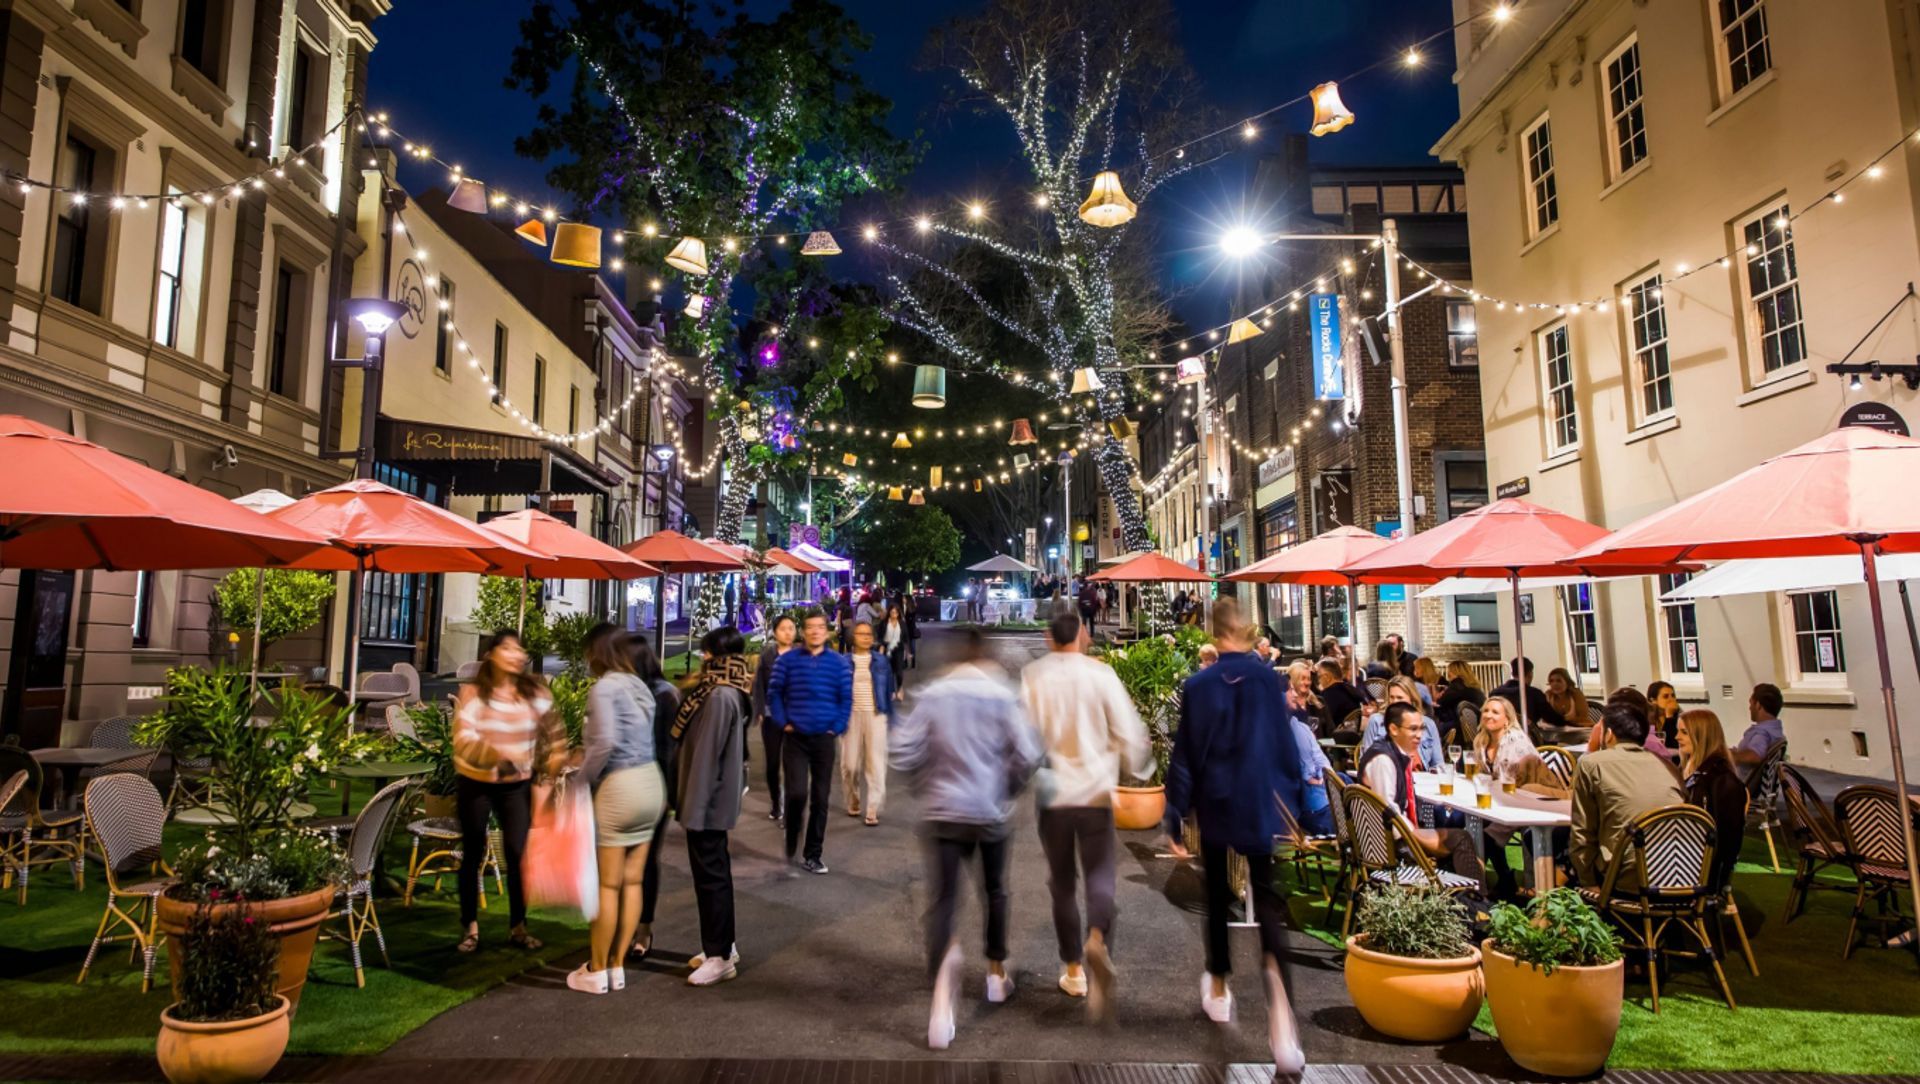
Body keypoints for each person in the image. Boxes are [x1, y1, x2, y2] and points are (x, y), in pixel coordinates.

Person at [1162, 599, 1306, 1071]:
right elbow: (1285, 747)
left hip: (1218, 802)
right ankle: (1281, 1015)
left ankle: (1219, 984)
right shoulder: (1268, 679)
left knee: (1217, 891)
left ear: (1214, 634)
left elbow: (1186, 753)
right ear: (1243, 632)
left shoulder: (1200, 685)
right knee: (1266, 901)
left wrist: (1175, 814)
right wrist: (1293, 809)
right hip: (1260, 801)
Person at [892, 628, 1042, 1049]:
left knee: (943, 899)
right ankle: (996, 972)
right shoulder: (1002, 693)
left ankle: (942, 990)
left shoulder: (934, 693)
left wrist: (925, 784)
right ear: (986, 655)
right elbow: (1028, 752)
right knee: (994, 890)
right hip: (989, 811)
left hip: (942, 811)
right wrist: (1007, 786)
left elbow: (903, 750)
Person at [1019, 612, 1151, 1019]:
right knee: (1099, 874)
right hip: (1095, 788)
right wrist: (1140, 769)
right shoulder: (1101, 675)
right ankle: (1097, 937)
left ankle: (1073, 969)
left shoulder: (1034, 676)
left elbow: (1023, 736)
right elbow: (1130, 731)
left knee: (1061, 882)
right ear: (1081, 635)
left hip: (1054, 789)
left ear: (1048, 638)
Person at [451, 630, 565, 955]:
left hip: (516, 786)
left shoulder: (533, 691)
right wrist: (496, 757)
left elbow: (555, 732)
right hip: (475, 782)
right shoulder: (473, 693)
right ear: (491, 654)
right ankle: (469, 926)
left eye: (519, 649)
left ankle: (518, 926)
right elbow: (463, 739)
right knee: (473, 852)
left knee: (517, 853)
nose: (517, 654)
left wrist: (553, 764)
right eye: (508, 648)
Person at [569, 625, 664, 995]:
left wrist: (580, 779)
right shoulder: (639, 685)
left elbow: (605, 742)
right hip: (651, 782)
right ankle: (618, 965)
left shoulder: (604, 687)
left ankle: (596, 968)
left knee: (607, 885)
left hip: (620, 786)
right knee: (633, 881)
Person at [675, 625, 754, 986]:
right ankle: (721, 947)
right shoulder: (728, 688)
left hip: (706, 801)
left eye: (707, 653)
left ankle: (720, 954)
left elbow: (706, 756)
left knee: (711, 876)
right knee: (713, 873)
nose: (703, 659)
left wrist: (691, 807)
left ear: (717, 656)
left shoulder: (719, 695)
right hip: (709, 798)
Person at [1357, 701, 1487, 882]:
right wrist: (1413, 832)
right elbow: (1387, 808)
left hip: (1388, 834)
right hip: (1387, 841)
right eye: (1413, 729)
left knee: (1452, 832)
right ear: (1394, 729)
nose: (1419, 735)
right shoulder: (1383, 760)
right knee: (1461, 838)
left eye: (1421, 729)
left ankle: (1461, 897)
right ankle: (1475, 901)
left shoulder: (1393, 753)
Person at [768, 608, 854, 874]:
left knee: (820, 798)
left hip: (824, 739)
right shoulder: (788, 661)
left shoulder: (839, 663)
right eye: (810, 627)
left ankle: (813, 853)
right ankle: (792, 836)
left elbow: (845, 698)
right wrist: (784, 723)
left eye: (820, 626)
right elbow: (774, 694)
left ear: (827, 631)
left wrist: (837, 727)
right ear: (803, 632)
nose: (815, 631)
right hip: (796, 738)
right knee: (796, 794)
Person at [1570, 702, 1686, 890]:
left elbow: (1582, 832)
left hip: (1627, 876)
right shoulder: (1668, 767)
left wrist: (1588, 883)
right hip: (1680, 873)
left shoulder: (1593, 764)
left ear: (1608, 734)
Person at [1470, 695, 1563, 896]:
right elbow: (1482, 776)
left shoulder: (1516, 741)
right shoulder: (1482, 741)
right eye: (1486, 711)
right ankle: (1503, 881)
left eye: (1495, 712)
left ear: (1507, 719)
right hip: (1503, 801)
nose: (1488, 715)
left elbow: (1512, 782)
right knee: (1476, 828)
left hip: (1529, 802)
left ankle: (1487, 886)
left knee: (1485, 836)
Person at [628, 636, 681, 960]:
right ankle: (625, 925)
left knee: (645, 860)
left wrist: (667, 794)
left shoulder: (664, 695)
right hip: (621, 788)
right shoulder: (620, 693)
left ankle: (643, 928)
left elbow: (670, 750)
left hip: (653, 787)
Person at [1677, 708, 1747, 891]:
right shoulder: (1690, 769)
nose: (1676, 737)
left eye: (1684, 732)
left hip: (1700, 866)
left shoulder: (1721, 780)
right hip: (1683, 851)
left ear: (1703, 735)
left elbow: (1728, 840)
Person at [841, 620, 895, 827]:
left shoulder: (881, 661)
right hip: (850, 716)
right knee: (850, 764)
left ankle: (872, 808)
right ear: (852, 638)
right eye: (861, 634)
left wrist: (892, 719)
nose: (866, 637)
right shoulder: (843, 662)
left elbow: (888, 690)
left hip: (876, 715)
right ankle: (853, 800)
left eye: (868, 634)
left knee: (875, 763)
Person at [750, 614, 798, 824]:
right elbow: (758, 684)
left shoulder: (801, 655)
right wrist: (759, 710)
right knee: (772, 763)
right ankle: (776, 802)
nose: (788, 632)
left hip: (795, 717)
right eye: (783, 628)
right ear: (775, 632)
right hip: (771, 715)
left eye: (791, 628)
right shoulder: (768, 654)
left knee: (792, 763)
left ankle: (789, 808)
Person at [1283, 661, 1336, 835]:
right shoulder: (1289, 716)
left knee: (1343, 781)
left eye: (1309, 679)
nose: (1307, 683)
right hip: (1306, 775)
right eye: (1302, 679)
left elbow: (1331, 731)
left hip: (1322, 754)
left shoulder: (1318, 703)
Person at [1358, 676, 1446, 770]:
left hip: (1421, 780)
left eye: (1399, 698)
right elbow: (1365, 761)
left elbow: (1438, 765)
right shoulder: (1376, 721)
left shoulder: (1428, 724)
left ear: (1411, 699)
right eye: (1392, 697)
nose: (1395, 702)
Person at [1490, 656, 1569, 732]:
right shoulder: (1534, 694)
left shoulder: (1494, 693)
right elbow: (1553, 718)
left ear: (1512, 673)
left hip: (1500, 737)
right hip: (1527, 738)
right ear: (1530, 673)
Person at [1731, 682, 1786, 781]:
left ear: (1758, 705)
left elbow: (1755, 755)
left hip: (1742, 789)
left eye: (1751, 703)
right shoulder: (1775, 730)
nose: (1749, 708)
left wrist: (1731, 755)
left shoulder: (1762, 733)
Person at [1314, 658, 1371, 735]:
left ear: (1327, 677)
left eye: (1319, 677)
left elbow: (1322, 721)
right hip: (1352, 736)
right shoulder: (1349, 689)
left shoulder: (1330, 694)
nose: (1318, 681)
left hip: (1336, 739)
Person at [1436, 660, 1485, 739]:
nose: (1448, 673)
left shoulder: (1456, 685)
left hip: (1463, 724)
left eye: (1449, 670)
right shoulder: (1474, 686)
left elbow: (1441, 703)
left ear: (1454, 671)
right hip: (1478, 722)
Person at [882, 603, 909, 694]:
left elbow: (906, 637)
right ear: (889, 612)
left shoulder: (902, 623)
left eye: (895, 612)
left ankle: (900, 688)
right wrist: (881, 647)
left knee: (899, 672)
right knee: (889, 672)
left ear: (898, 614)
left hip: (899, 649)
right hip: (887, 649)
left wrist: (908, 651)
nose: (893, 614)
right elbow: (879, 637)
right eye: (892, 612)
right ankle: (892, 691)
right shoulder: (884, 623)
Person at [1647, 680, 1681, 746]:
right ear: (1653, 700)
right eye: (1665, 696)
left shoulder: (1680, 718)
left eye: (1673, 696)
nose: (1671, 699)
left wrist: (1669, 716)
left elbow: (1674, 745)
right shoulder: (1648, 719)